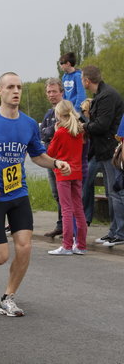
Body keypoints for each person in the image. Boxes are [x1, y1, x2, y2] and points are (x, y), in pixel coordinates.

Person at [0, 72, 71, 317]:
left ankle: (8, 298)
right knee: (0, 257)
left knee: (25, 247)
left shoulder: (29, 124)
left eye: (19, 87)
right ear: (0, 91)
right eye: (10, 87)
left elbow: (36, 155)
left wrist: (56, 163)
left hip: (18, 194)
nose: (16, 91)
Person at [81, 65, 124, 246]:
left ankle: (120, 233)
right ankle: (113, 231)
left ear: (86, 80)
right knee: (110, 192)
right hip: (104, 150)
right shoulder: (102, 95)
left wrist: (83, 126)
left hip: (110, 150)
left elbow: (101, 125)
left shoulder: (106, 96)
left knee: (116, 192)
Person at [47, 100, 87, 255]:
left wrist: (55, 133)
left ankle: (67, 245)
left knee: (66, 209)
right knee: (78, 208)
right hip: (77, 172)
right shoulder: (79, 131)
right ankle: (81, 245)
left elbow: (50, 153)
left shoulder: (60, 132)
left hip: (63, 173)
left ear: (58, 114)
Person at [39, 78, 64, 238]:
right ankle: (61, 225)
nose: (51, 94)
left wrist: (49, 132)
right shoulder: (49, 113)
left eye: (54, 91)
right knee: (56, 194)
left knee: (64, 194)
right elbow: (41, 133)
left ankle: (69, 226)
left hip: (62, 159)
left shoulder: (66, 110)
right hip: (49, 158)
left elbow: (55, 132)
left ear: (61, 92)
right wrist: (49, 131)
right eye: (49, 92)